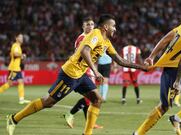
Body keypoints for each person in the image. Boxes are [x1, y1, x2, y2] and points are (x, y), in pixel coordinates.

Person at [6, 14, 147, 135]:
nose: (115, 29)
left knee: (97, 100)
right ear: (105, 27)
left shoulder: (106, 42)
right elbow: (85, 51)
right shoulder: (96, 34)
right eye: (113, 26)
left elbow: (120, 60)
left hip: (81, 75)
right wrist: (96, 71)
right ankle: (13, 119)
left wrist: (141, 67)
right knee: (48, 102)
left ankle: (87, 133)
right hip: (71, 73)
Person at [133, 3, 181, 135]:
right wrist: (177, 81)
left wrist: (152, 56)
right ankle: (138, 133)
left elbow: (166, 38)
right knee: (164, 106)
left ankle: (177, 118)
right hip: (174, 71)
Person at [63, 16, 103, 129]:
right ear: (83, 26)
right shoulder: (82, 38)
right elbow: (84, 55)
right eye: (87, 24)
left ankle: (89, 122)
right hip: (84, 70)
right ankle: (70, 113)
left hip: (88, 69)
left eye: (91, 24)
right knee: (92, 96)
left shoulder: (92, 37)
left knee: (90, 98)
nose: (90, 26)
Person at [0, 33, 30, 104]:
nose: (22, 39)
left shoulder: (18, 46)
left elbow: (13, 55)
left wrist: (21, 57)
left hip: (17, 68)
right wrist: (22, 55)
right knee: (9, 84)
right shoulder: (16, 45)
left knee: (21, 82)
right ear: (16, 38)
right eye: (20, 37)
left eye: (22, 37)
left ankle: (21, 99)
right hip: (14, 68)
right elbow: (15, 54)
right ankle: (21, 99)